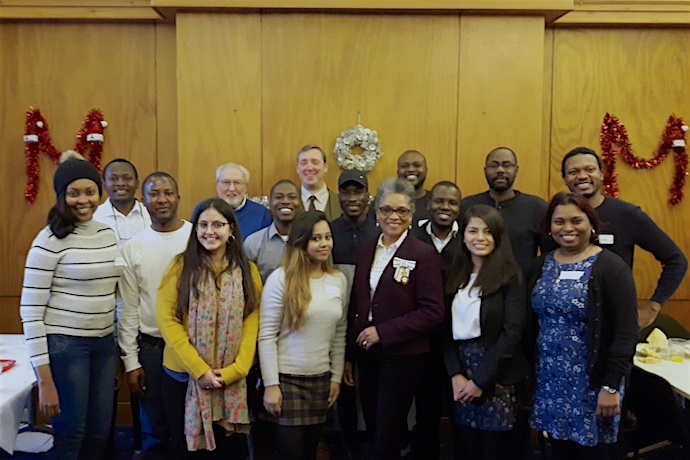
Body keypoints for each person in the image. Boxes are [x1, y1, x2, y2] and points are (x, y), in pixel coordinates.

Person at [20, 151, 124, 459]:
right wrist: (45, 379)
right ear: (62, 196)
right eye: (74, 193)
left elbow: (116, 292)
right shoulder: (47, 241)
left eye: (90, 191)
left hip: (105, 345)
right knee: (71, 434)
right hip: (66, 347)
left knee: (99, 432)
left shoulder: (107, 233)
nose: (83, 200)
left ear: (99, 193)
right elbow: (31, 312)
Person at [529, 192, 638, 459]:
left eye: (576, 220)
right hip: (551, 382)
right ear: (550, 227)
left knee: (595, 452)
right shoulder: (541, 265)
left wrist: (611, 386)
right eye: (559, 222)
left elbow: (626, 333)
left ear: (591, 224)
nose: (567, 228)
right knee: (561, 451)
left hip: (593, 384)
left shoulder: (611, 267)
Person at [346, 177, 445, 459]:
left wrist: (383, 332)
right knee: (375, 423)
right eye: (387, 209)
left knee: (388, 430)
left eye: (402, 211)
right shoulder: (366, 249)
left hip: (404, 355)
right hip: (367, 353)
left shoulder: (423, 254)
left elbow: (433, 311)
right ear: (376, 213)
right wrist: (349, 355)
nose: (394, 216)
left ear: (412, 215)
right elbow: (358, 302)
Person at [156, 198, 262, 458]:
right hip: (184, 378)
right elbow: (167, 320)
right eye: (203, 224)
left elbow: (252, 318)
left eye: (218, 224)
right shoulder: (180, 267)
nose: (209, 231)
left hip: (231, 379)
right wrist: (200, 370)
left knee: (230, 451)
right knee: (187, 451)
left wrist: (238, 369)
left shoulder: (247, 270)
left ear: (231, 230)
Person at [561, 146, 687, 328]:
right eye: (573, 171)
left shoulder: (627, 214)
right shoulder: (557, 219)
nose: (582, 176)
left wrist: (652, 308)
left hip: (614, 323)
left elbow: (676, 260)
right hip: (564, 323)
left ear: (602, 174)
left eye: (590, 169)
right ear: (565, 179)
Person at [258, 211, 348, 459]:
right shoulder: (281, 279)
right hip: (287, 382)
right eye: (316, 238)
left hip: (321, 380)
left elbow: (340, 333)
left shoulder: (338, 280)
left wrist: (336, 378)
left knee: (310, 453)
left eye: (328, 237)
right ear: (301, 242)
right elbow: (266, 335)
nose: (324, 244)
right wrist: (271, 385)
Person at [443, 204, 528, 460]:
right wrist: (456, 374)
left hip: (496, 372)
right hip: (461, 368)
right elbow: (443, 329)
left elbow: (512, 333)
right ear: (463, 235)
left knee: (495, 448)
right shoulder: (453, 273)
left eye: (487, 232)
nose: (480, 238)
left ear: (498, 236)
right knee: (467, 446)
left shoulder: (510, 275)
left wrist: (480, 380)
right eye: (473, 231)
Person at [118, 172, 193, 457]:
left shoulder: (198, 236)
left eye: (168, 193)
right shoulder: (134, 247)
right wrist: (130, 361)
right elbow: (128, 307)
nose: (162, 199)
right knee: (155, 430)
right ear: (144, 200)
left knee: (191, 428)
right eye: (154, 194)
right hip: (151, 349)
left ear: (178, 198)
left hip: (193, 347)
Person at [409, 180, 463, 459]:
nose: (445, 207)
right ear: (428, 204)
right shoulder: (412, 239)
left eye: (452, 203)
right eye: (440, 201)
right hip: (423, 340)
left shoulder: (469, 238)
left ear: (459, 208)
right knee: (426, 410)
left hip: (459, 340)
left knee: (460, 411)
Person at [330, 170, 380, 456]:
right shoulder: (329, 230)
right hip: (337, 322)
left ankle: (376, 444)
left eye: (358, 191)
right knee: (344, 389)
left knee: (372, 390)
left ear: (367, 196)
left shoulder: (379, 229)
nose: (352, 197)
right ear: (339, 196)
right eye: (346, 192)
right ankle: (347, 446)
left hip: (371, 321)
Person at [461, 147, 553, 272]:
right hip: (473, 284)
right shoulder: (467, 206)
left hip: (522, 286)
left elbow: (548, 255)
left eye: (507, 165)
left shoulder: (537, 207)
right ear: (485, 170)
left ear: (516, 170)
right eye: (494, 165)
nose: (500, 170)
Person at [244, 180, 304, 282]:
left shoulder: (311, 240)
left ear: (301, 204)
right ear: (270, 204)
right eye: (278, 197)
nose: (285, 201)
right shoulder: (253, 243)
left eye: (292, 197)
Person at [93, 158, 152, 248]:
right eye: (113, 179)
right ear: (104, 185)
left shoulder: (150, 214)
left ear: (137, 183)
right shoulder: (95, 217)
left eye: (127, 178)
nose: (120, 183)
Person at [214, 162, 271, 240]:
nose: (232, 188)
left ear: (245, 186)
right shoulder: (204, 211)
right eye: (226, 182)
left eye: (237, 183)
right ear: (217, 185)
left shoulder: (262, 214)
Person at [296, 144, 340, 220]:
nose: (309, 168)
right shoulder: (289, 203)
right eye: (304, 163)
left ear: (325, 167)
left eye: (315, 162)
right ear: (297, 168)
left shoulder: (340, 203)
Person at [397, 150, 431, 225]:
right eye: (404, 166)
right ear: (398, 172)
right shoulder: (385, 202)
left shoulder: (435, 202)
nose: (411, 169)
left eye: (417, 165)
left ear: (426, 170)